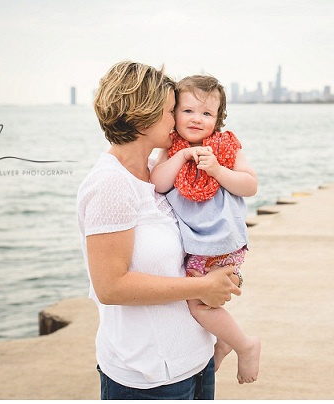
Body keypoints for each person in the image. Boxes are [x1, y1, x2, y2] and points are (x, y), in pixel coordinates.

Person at [77, 61, 241, 400]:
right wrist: (203, 286)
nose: (178, 121)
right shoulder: (110, 184)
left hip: (196, 361)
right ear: (143, 116)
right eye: (171, 111)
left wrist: (224, 278)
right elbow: (110, 286)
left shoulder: (158, 172)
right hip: (148, 376)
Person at [150, 75, 261, 385]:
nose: (197, 119)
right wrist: (182, 156)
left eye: (207, 113)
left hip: (223, 240)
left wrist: (217, 170)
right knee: (203, 301)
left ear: (218, 118)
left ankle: (244, 344)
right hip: (195, 243)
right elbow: (158, 183)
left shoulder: (225, 145)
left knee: (199, 304)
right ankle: (225, 340)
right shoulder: (172, 146)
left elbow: (250, 185)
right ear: (173, 114)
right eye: (188, 111)